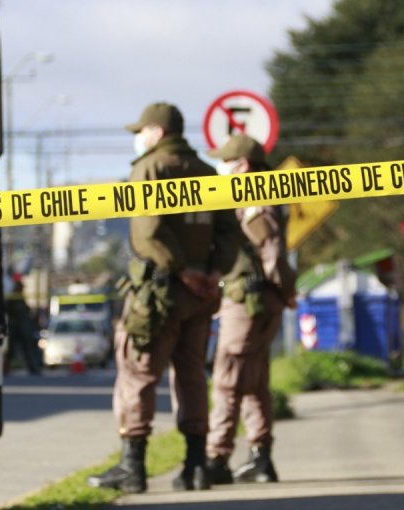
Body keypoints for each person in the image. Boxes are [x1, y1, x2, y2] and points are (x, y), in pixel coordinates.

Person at [87, 102, 241, 493]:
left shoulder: (149, 169)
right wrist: (211, 273)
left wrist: (184, 271)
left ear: (156, 132)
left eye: (141, 132)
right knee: (191, 377)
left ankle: (132, 467)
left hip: (159, 294)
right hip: (201, 296)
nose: (139, 139)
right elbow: (229, 231)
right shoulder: (209, 172)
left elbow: (149, 232)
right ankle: (195, 467)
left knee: (137, 375)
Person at [204, 134, 297, 484]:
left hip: (249, 301)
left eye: (225, 161)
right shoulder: (255, 194)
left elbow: (270, 251)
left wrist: (287, 291)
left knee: (228, 379)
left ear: (242, 165)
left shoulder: (254, 197)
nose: (220, 167)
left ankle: (217, 457)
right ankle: (260, 457)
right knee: (255, 381)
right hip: (257, 300)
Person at [5, 275, 42, 375]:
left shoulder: (20, 298)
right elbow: (8, 310)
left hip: (23, 328)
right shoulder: (12, 298)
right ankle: (5, 368)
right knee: (11, 350)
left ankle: (33, 369)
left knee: (28, 349)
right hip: (15, 327)